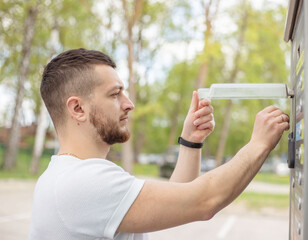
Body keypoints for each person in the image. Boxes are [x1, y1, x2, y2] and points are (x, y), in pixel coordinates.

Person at [29, 48, 289, 240]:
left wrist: (190, 142)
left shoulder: (64, 176)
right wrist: (258, 144)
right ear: (77, 108)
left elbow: (178, 198)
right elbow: (204, 201)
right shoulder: (82, 183)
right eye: (115, 94)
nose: (129, 104)